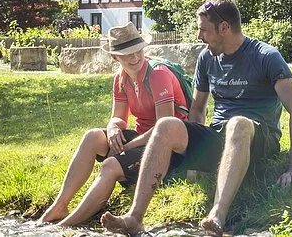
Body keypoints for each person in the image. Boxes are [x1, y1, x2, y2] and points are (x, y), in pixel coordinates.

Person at [100, 0, 292, 236]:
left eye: (203, 30)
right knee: (167, 124)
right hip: (220, 136)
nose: (199, 37)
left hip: (259, 138)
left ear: (224, 28)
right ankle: (134, 218)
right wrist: (194, 160)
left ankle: (217, 214)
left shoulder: (265, 56)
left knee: (237, 123)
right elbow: (197, 110)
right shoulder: (207, 58)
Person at [38, 22, 188, 226]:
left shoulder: (158, 74)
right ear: (115, 56)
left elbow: (164, 126)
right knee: (93, 136)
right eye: (127, 54)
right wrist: (113, 128)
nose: (134, 57)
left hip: (168, 149)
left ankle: (65, 226)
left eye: (137, 51)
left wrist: (126, 147)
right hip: (143, 140)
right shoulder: (121, 78)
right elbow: (118, 117)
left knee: (110, 164)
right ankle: (59, 206)